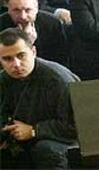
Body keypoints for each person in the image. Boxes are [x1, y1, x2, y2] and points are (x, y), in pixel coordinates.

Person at [0, 28, 78, 169]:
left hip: (60, 139)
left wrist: (34, 130)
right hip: (19, 135)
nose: (16, 64)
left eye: (21, 56)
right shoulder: (3, 79)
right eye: (7, 59)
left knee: (46, 149)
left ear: (33, 52)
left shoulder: (59, 80)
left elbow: (76, 125)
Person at [0, 0, 68, 65]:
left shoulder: (51, 23)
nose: (23, 16)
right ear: (9, 10)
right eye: (16, 10)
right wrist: (27, 42)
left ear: (36, 9)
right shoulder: (2, 23)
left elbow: (61, 56)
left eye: (27, 10)